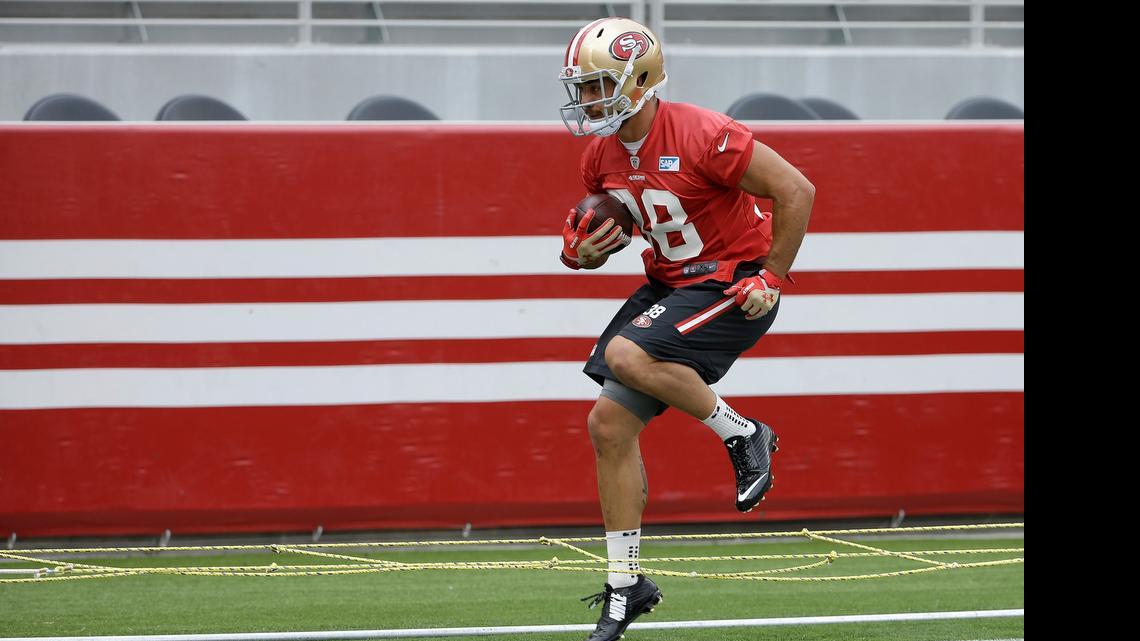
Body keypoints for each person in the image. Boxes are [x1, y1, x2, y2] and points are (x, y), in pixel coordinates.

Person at [556, 16, 816, 641]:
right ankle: (625, 587)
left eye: (598, 86)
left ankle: (744, 433)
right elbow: (614, 228)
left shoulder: (703, 133)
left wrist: (772, 276)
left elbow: (796, 189)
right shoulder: (601, 152)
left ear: (639, 80)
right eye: (582, 88)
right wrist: (583, 255)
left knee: (625, 353)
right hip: (674, 283)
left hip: (735, 279)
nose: (586, 100)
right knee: (608, 425)